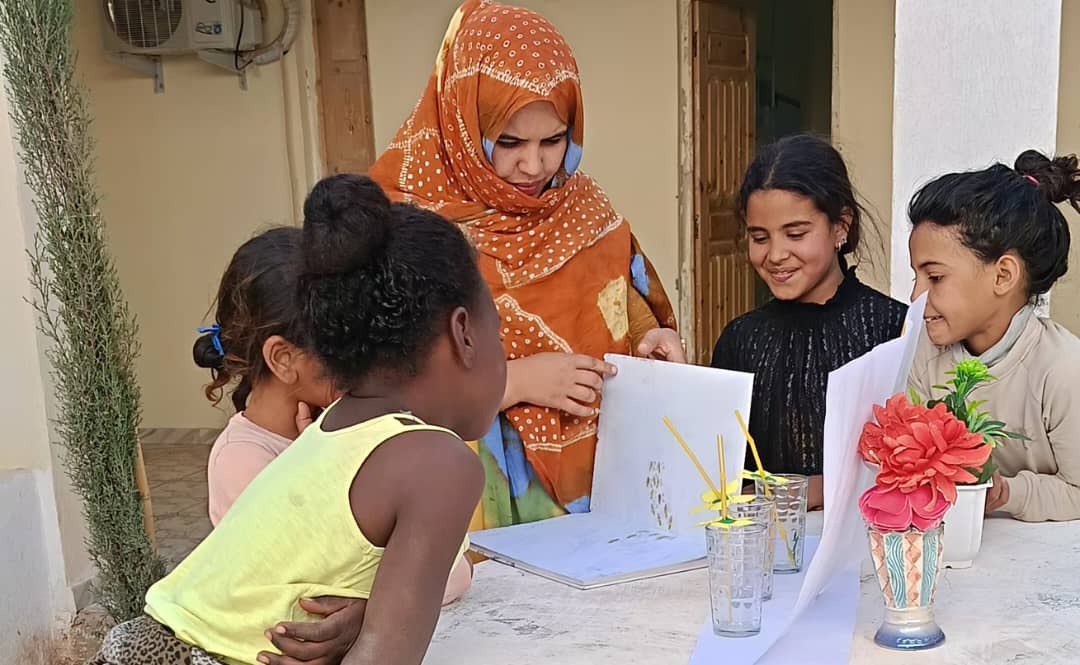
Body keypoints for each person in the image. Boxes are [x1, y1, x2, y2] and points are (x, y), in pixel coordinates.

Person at [90, 174, 506, 665]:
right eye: (498, 331)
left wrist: (372, 618)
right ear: (464, 334)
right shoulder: (439, 463)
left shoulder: (336, 432)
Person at [369, 0, 684, 528]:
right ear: (463, 125)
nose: (533, 166)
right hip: (462, 491)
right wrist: (515, 382)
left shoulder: (584, 209)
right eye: (508, 142)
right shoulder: (398, 222)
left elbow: (627, 320)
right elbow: (372, 388)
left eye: (554, 140)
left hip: (594, 489)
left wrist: (651, 350)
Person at [194, 228, 473, 615]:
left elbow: (452, 569)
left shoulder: (346, 429)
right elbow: (314, 602)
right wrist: (323, 463)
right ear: (284, 359)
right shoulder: (240, 462)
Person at [711, 134, 906, 509]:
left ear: (841, 226)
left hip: (868, 550)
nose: (776, 254)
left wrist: (805, 491)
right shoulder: (741, 340)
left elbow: (909, 465)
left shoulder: (893, 331)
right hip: (762, 553)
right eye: (759, 237)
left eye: (796, 234)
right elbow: (717, 473)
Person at [908, 150, 1080, 523]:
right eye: (916, 277)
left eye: (934, 277)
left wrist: (1007, 493)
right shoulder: (922, 353)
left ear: (1003, 275)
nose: (915, 298)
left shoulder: (1064, 369)